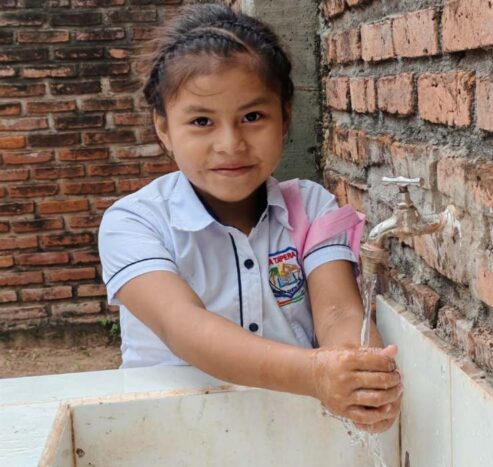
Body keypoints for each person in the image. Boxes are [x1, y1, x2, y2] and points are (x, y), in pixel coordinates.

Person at [98, 3, 401, 434]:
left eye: (252, 117)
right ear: (164, 129)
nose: (230, 143)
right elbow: (185, 327)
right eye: (201, 121)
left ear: (285, 118)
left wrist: (357, 375)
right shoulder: (135, 222)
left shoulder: (313, 208)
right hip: (170, 431)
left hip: (292, 427)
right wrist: (316, 374)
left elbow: (336, 313)